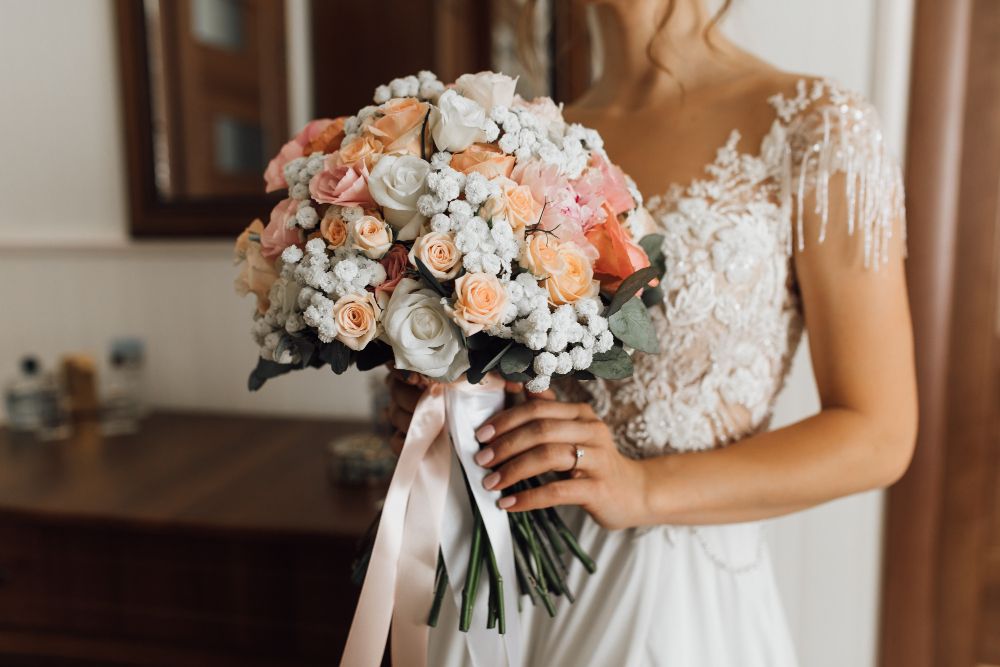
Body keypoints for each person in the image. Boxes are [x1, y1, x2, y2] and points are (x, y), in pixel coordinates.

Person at [387, 0, 917, 663]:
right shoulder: (525, 143)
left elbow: (878, 435)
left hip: (676, 594)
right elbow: (506, 367)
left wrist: (643, 489)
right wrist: (449, 402)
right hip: (506, 575)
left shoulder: (816, 128)